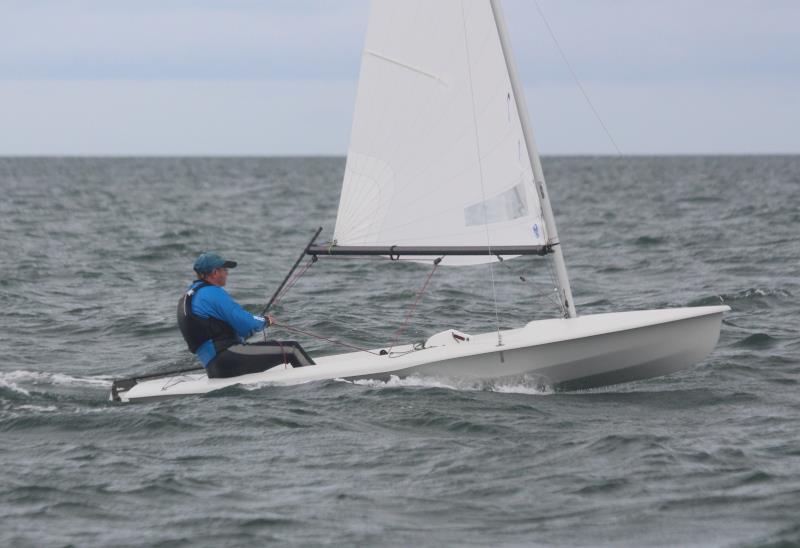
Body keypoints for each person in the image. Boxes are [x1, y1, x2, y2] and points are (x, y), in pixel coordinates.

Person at [177, 251, 314, 378]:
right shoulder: (212, 293)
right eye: (224, 270)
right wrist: (265, 321)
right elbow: (244, 321)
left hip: (213, 366)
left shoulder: (189, 295)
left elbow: (215, 330)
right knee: (292, 349)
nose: (227, 273)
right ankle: (317, 384)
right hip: (229, 357)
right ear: (214, 272)